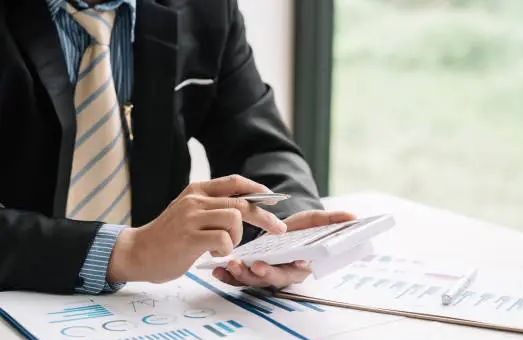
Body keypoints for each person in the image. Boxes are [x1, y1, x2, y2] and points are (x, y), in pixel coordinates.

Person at [0, 0, 353, 294]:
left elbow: (259, 141)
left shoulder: (207, 10)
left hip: (150, 307)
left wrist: (284, 234)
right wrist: (126, 252)